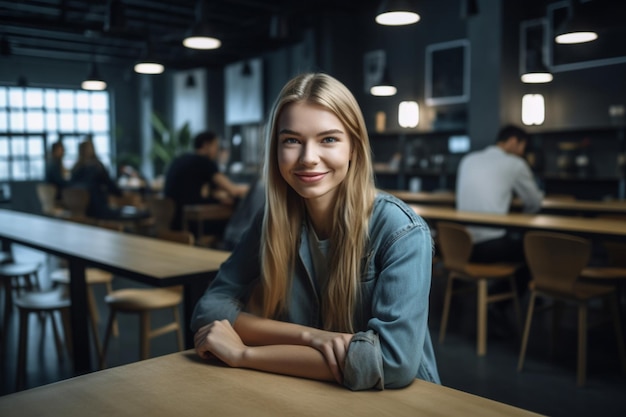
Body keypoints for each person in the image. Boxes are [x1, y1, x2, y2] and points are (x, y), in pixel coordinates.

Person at [191, 73, 440, 391]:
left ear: (354, 148)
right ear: (276, 149)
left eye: (329, 139)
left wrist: (244, 353)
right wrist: (312, 337)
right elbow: (209, 310)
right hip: (314, 393)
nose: (308, 158)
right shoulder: (271, 222)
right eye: (292, 140)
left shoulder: (401, 231)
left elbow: (393, 362)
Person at [456, 125, 543, 293]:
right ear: (513, 141)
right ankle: (500, 302)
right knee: (534, 253)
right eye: (522, 146)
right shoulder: (516, 163)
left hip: (458, 245)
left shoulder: (468, 159)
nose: (522, 152)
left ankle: (492, 298)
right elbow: (534, 202)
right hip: (487, 247)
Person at [163, 131, 248, 231]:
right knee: (237, 222)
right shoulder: (205, 162)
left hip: (174, 222)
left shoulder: (179, 160)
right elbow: (233, 190)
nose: (217, 150)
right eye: (216, 145)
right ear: (206, 145)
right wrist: (252, 189)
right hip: (191, 223)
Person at [70, 138, 123, 219]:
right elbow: (110, 185)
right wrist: (120, 194)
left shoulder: (75, 168)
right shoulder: (97, 167)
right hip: (97, 210)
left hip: (76, 211)